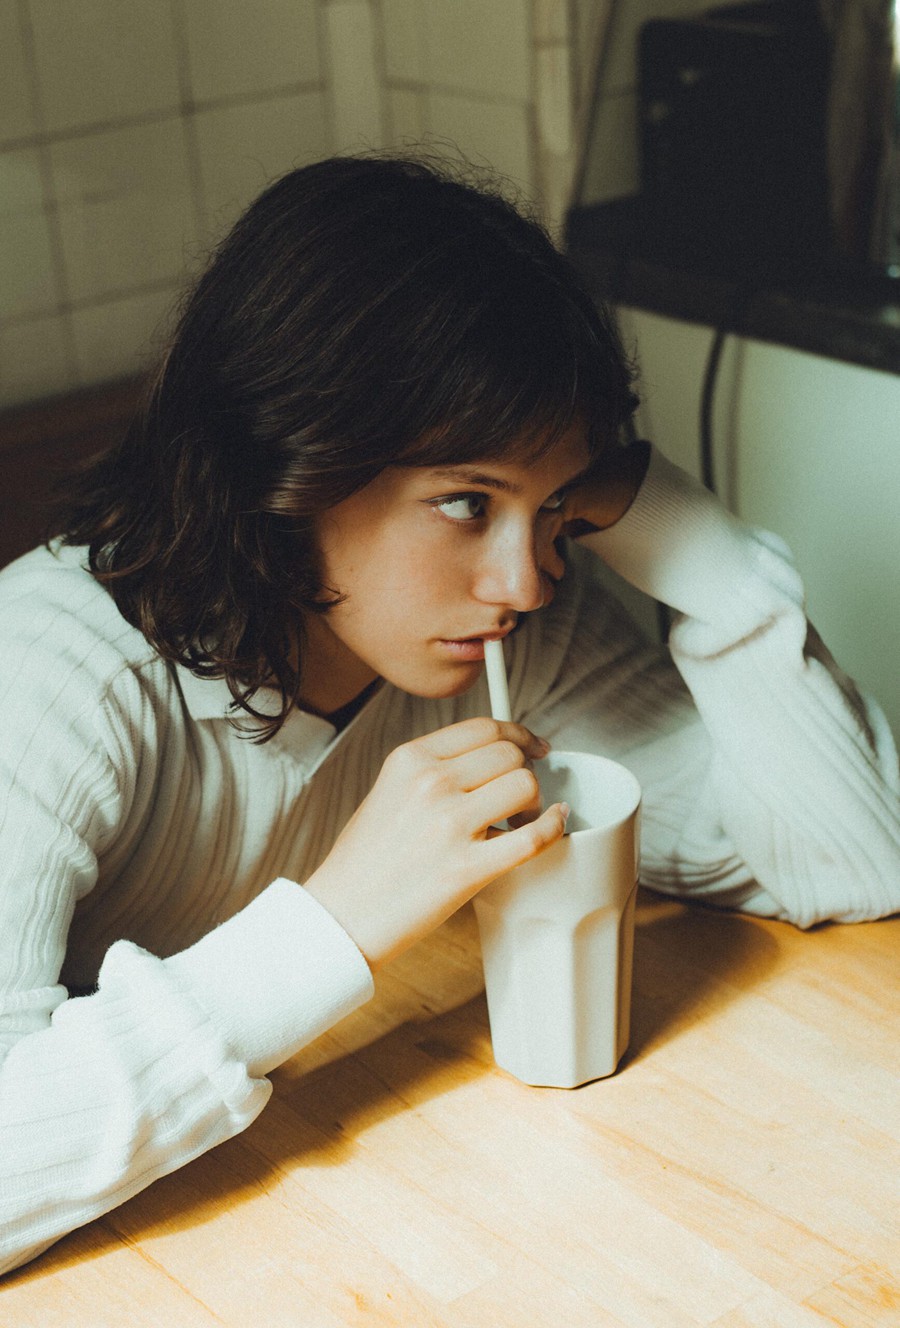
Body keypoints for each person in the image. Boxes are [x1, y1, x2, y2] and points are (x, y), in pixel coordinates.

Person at [1, 154, 898, 1278]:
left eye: (560, 509)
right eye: (468, 504)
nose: (525, 579)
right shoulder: (50, 675)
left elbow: (849, 867)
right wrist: (335, 919)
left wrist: (726, 581)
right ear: (295, 455)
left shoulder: (519, 639)